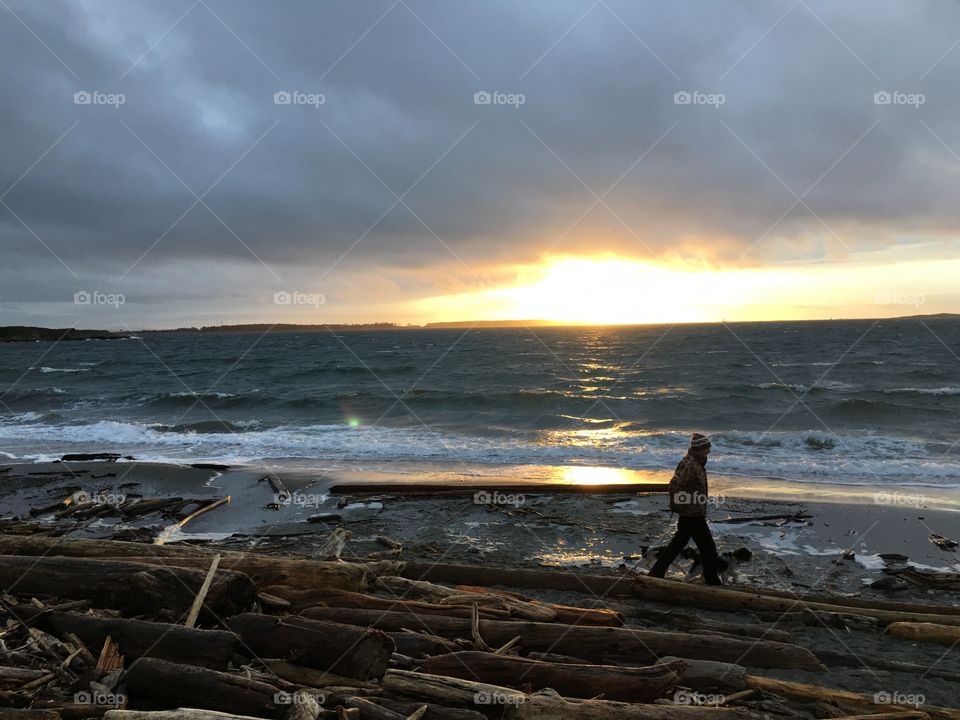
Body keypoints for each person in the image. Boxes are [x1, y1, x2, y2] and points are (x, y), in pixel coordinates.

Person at [648, 432, 722, 585]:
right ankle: (712, 580)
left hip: (693, 512)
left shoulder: (697, 462)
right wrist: (684, 504)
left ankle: (656, 573)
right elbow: (674, 486)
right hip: (692, 515)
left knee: (677, 545)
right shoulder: (689, 464)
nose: (709, 451)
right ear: (699, 448)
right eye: (707, 448)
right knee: (708, 548)